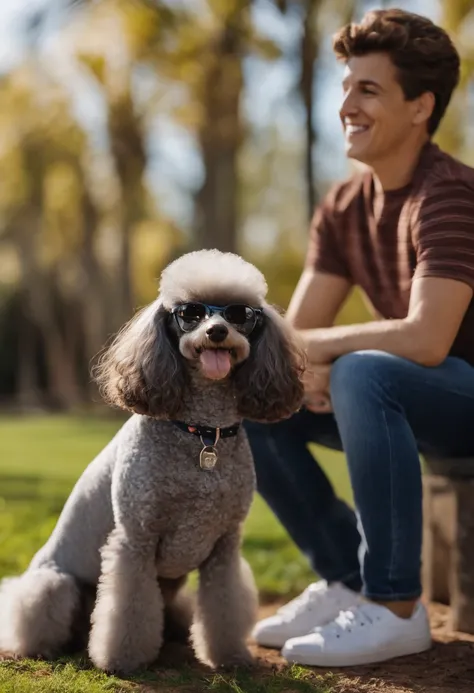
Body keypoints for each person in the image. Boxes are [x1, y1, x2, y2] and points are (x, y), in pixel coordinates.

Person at [246, 8, 474, 667]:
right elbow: (287, 340)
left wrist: (323, 356)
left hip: (461, 394)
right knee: (256, 390)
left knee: (362, 371)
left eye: (368, 89)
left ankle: (397, 607)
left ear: (420, 106)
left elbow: (429, 339)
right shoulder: (343, 207)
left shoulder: (450, 195)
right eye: (346, 87)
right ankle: (348, 577)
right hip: (409, 396)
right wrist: (300, 367)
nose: (347, 103)